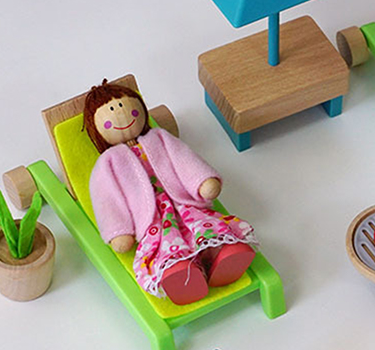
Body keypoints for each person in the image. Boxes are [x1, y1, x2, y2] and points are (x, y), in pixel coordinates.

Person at [84, 80, 257, 305]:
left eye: (132, 111)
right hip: (151, 219)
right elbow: (107, 199)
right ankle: (180, 271)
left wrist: (201, 181)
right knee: (165, 241)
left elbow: (182, 159)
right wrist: (119, 230)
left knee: (203, 225)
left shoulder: (159, 138)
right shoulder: (107, 162)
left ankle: (223, 253)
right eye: (109, 121)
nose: (123, 118)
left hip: (184, 203)